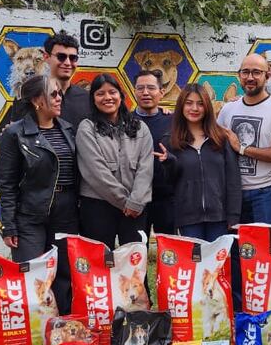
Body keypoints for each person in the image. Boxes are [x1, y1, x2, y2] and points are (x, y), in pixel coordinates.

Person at [0, 74, 79, 314]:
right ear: (36, 100)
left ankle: (63, 326)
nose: (59, 98)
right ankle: (35, 329)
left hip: (66, 211)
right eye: (53, 93)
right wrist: (9, 224)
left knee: (65, 273)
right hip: (30, 213)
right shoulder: (14, 134)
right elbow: (7, 182)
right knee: (33, 272)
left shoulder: (68, 129)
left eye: (59, 93)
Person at [76, 73, 154, 250]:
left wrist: (135, 202)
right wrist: (123, 202)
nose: (107, 98)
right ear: (93, 99)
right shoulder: (87, 128)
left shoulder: (140, 127)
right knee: (99, 265)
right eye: (100, 93)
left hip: (136, 208)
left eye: (112, 92)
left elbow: (146, 168)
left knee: (135, 264)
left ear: (121, 96)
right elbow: (95, 171)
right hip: (97, 207)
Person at [154, 84, 242, 241]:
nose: (194, 108)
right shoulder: (170, 141)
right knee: (194, 264)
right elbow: (170, 183)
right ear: (181, 106)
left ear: (207, 107)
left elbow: (233, 179)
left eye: (200, 103)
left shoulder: (221, 138)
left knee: (217, 265)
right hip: (188, 219)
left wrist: (233, 215)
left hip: (219, 218)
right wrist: (169, 163)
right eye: (189, 103)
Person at [216, 53, 271, 225]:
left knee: (263, 248)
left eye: (256, 72)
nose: (250, 77)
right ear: (239, 75)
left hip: (264, 193)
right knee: (233, 248)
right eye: (245, 72)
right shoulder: (228, 109)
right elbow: (215, 145)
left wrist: (241, 148)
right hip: (232, 193)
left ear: (268, 75)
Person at [9, 31, 92, 127]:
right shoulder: (27, 97)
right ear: (46, 57)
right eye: (61, 57)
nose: (68, 63)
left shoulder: (87, 98)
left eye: (73, 58)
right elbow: (14, 135)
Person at [132, 69, 176, 237]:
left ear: (161, 92)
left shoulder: (172, 121)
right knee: (135, 248)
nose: (145, 93)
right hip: (136, 196)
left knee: (170, 251)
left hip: (166, 197)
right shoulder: (125, 121)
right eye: (140, 88)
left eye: (151, 88)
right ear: (134, 91)